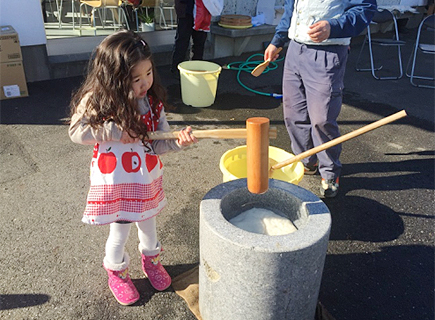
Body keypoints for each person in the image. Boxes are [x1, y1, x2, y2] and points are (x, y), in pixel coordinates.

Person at [69, 30, 198, 306]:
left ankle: (151, 262)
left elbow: (159, 143)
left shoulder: (153, 103)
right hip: (117, 181)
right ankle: (116, 271)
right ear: (113, 78)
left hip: (146, 179)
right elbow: (76, 132)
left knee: (149, 226)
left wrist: (178, 142)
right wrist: (114, 131)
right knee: (120, 232)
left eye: (149, 74)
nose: (145, 83)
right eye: (136, 79)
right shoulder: (97, 99)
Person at [264, 0, 377, 198]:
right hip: (294, 50)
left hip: (328, 52)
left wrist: (332, 27)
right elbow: (292, 9)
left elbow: (365, 9)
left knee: (322, 120)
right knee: (293, 114)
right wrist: (277, 40)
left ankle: (330, 173)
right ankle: (308, 161)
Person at [170, 0, 208, 76]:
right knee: (182, 41)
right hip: (186, 9)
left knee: (199, 42)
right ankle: (176, 69)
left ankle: (196, 68)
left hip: (202, 11)